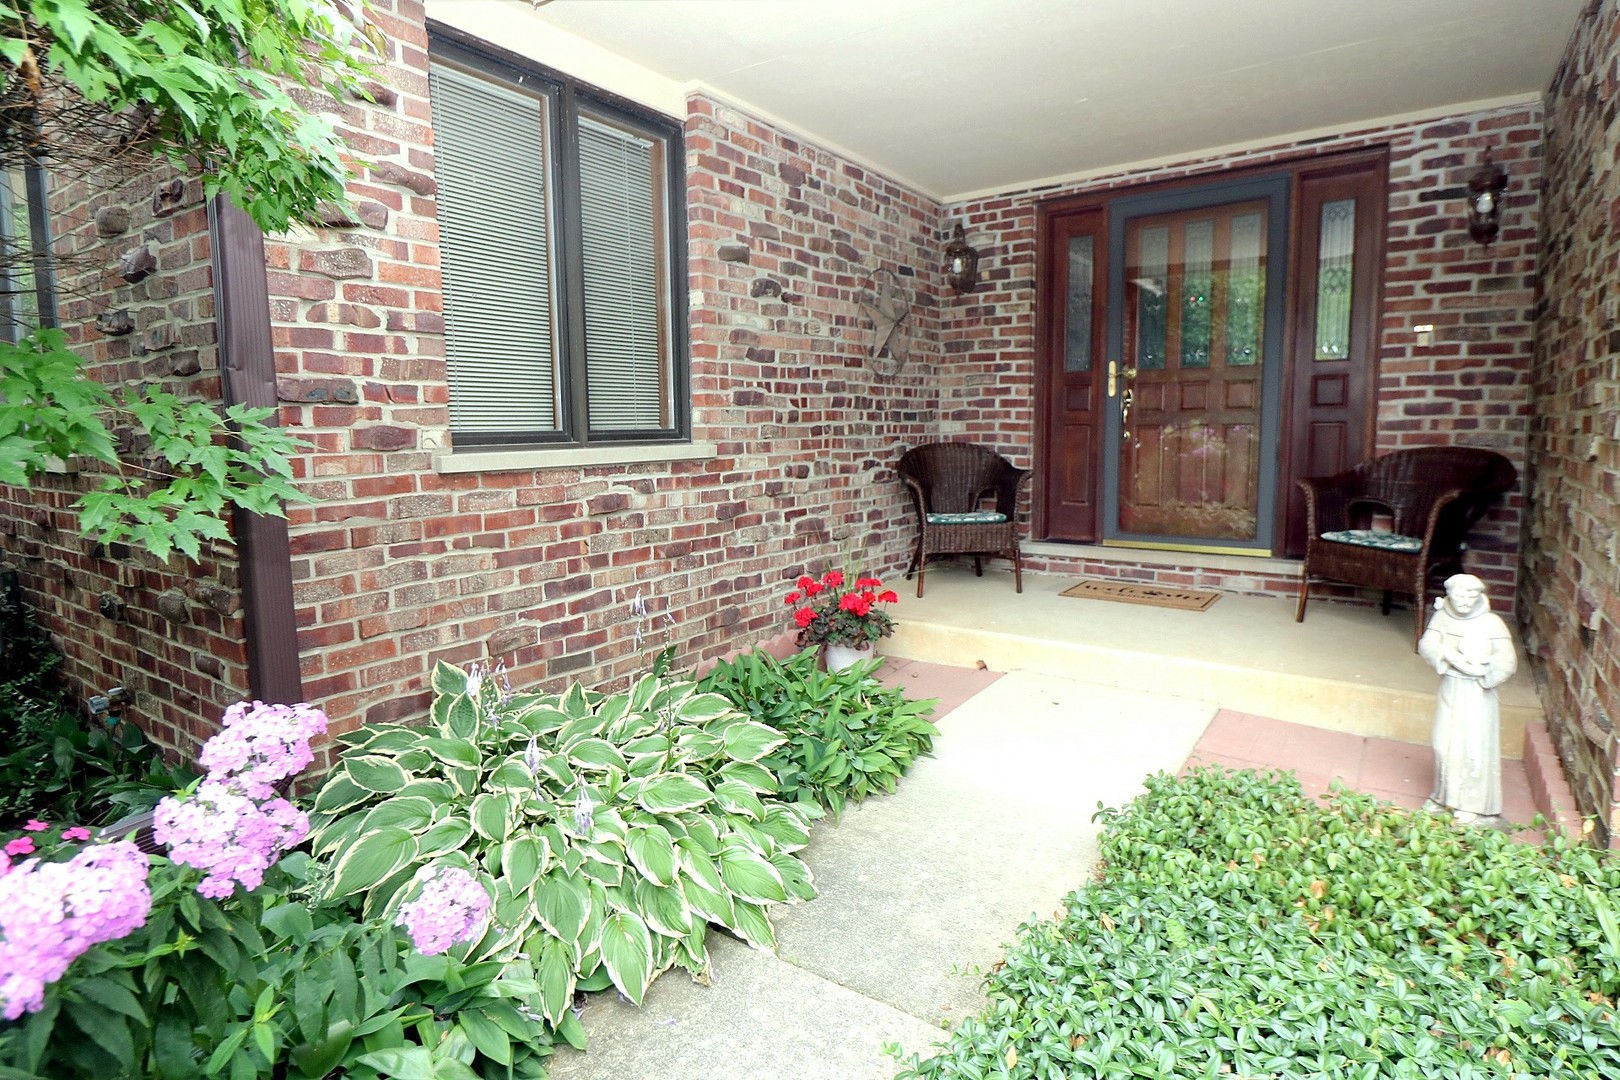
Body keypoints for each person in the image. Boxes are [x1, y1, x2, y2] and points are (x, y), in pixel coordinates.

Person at [1418, 574, 1517, 824]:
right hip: (1451, 686)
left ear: (1478, 597)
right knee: (1443, 742)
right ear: (1450, 596)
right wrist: (1449, 656)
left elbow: (1507, 660)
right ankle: (1444, 797)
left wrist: (1483, 673)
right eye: (1458, 595)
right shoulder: (1442, 617)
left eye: (1470, 596)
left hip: (1477, 692)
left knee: (1474, 746)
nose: (1464, 601)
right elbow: (1427, 644)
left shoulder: (1492, 623)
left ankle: (1472, 805)